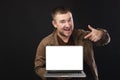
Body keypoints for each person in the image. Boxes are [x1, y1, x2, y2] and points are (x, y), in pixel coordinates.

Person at [34, 6, 110, 80]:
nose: (68, 25)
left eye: (70, 20)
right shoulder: (45, 43)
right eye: (62, 21)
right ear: (54, 24)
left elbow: (106, 40)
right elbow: (38, 67)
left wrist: (101, 34)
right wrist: (53, 75)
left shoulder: (84, 35)